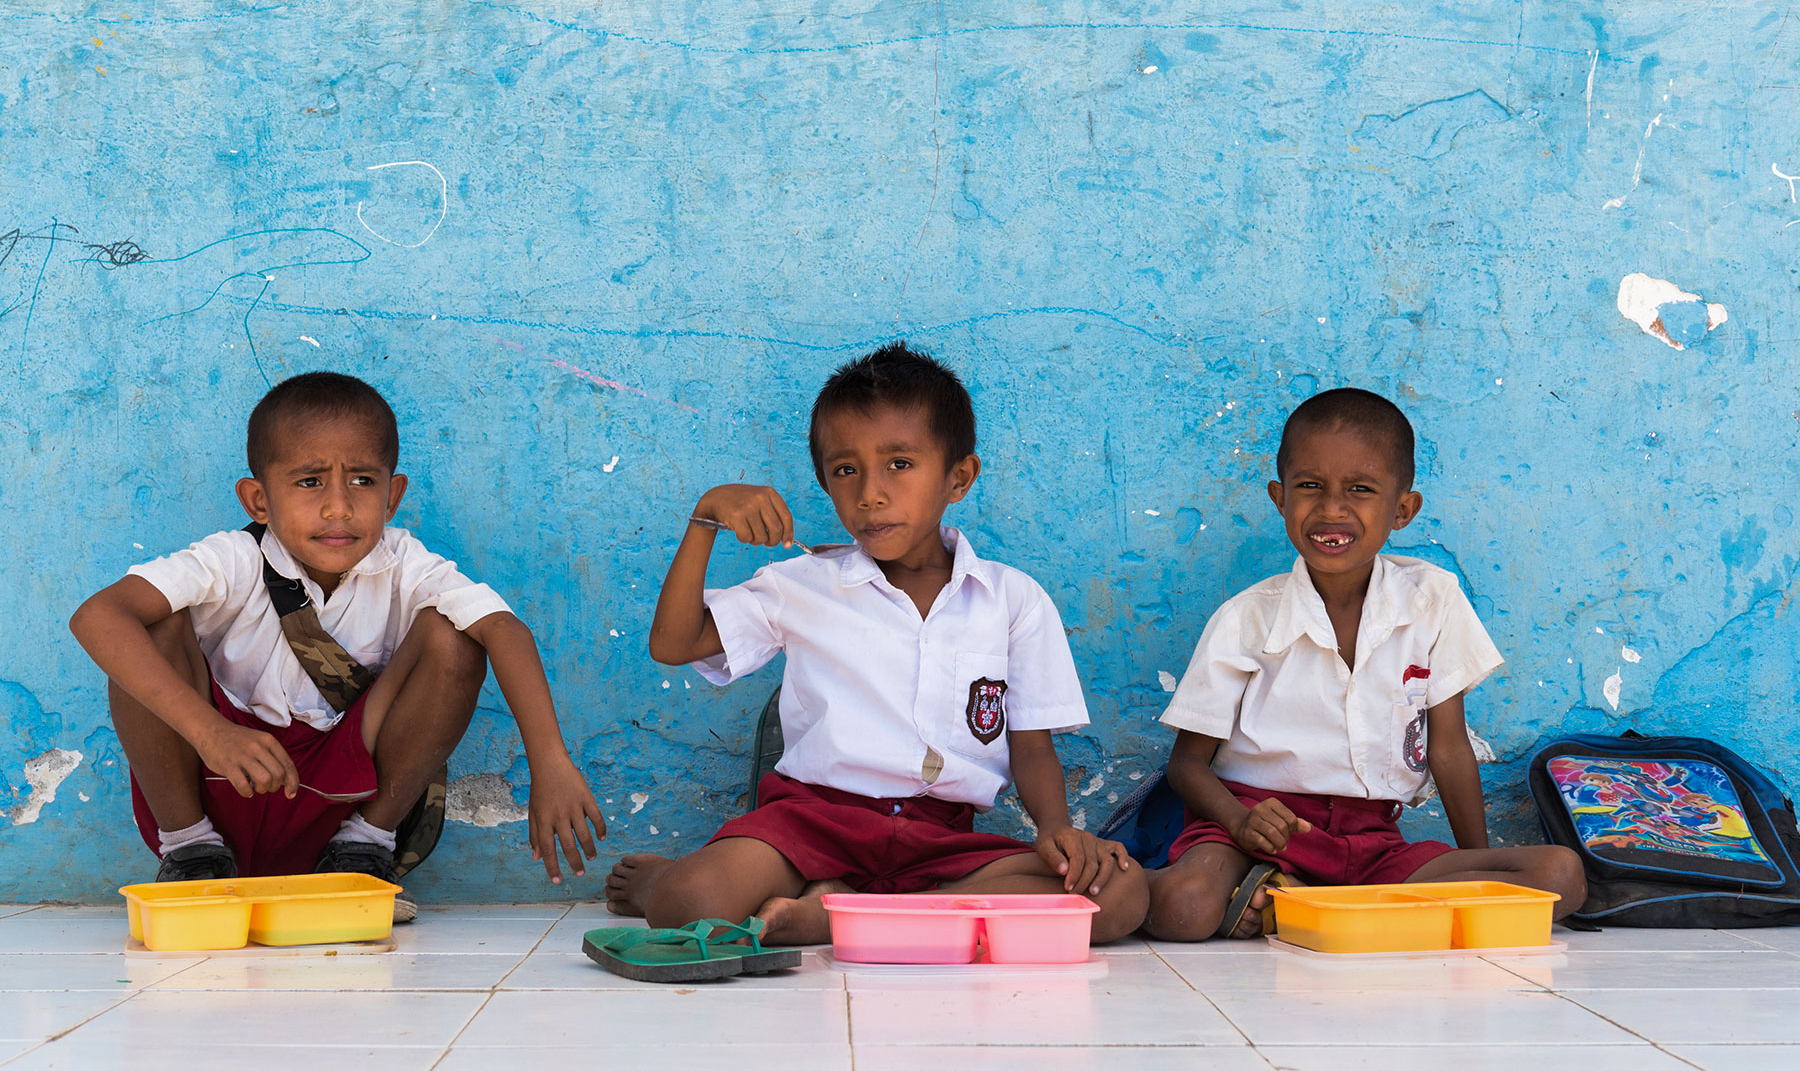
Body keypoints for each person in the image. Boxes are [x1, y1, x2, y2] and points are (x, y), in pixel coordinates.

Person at [604, 342, 1149, 945]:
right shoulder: (804, 586)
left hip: (941, 840)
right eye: (846, 471)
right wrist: (705, 518)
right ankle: (693, 886)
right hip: (812, 823)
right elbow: (672, 644)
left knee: (1120, 895)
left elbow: (1031, 745)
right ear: (827, 483)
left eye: (899, 464)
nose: (870, 493)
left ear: (958, 477)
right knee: (687, 902)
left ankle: (837, 912)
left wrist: (1054, 830)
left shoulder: (1012, 600)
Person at [70, 372, 605, 916]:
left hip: (337, 800)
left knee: (454, 633)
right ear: (258, 499)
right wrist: (212, 734)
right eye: (309, 482)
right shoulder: (229, 560)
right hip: (220, 784)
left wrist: (550, 762)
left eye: (362, 482)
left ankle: (363, 849)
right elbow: (97, 616)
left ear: (392, 495)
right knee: (149, 625)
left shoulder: (406, 565)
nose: (338, 508)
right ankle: (189, 853)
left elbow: (503, 629)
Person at [1144, 388, 1586, 940]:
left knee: (1558, 875)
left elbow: (1447, 747)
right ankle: (1303, 893)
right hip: (1260, 828)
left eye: (1360, 489)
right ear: (1280, 498)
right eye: (1310, 487)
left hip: (1371, 843)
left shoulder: (1431, 599)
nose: (1332, 508)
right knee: (1184, 908)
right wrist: (1239, 822)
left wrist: (1482, 879)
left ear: (1403, 509)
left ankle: (1294, 902)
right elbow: (1186, 765)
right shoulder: (1247, 619)